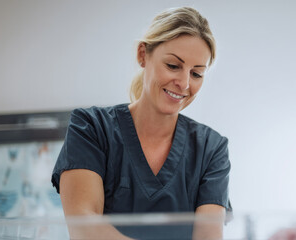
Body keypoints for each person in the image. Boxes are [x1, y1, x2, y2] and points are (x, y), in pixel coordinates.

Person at [51, 7, 231, 240]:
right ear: (143, 55)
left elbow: (208, 237)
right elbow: (84, 228)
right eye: (173, 66)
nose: (184, 83)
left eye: (196, 74)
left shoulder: (211, 148)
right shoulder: (91, 128)